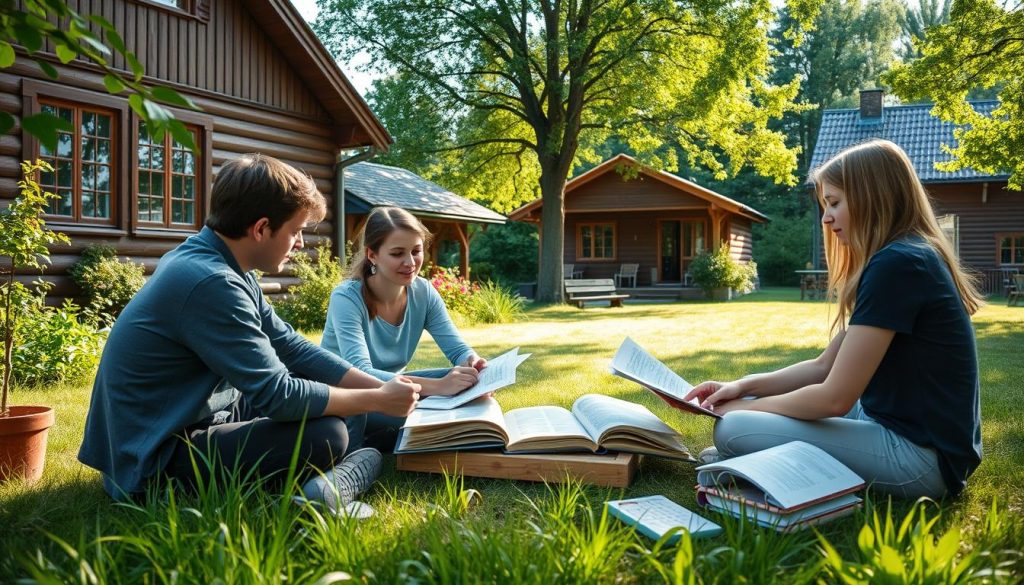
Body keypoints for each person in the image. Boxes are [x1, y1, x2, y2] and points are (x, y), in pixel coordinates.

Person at [79, 154, 421, 515]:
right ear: (261, 228)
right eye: (296, 230)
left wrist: (374, 388)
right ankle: (337, 477)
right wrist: (378, 400)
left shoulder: (224, 264)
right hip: (156, 459)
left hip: (197, 413)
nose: (300, 243)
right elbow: (279, 397)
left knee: (338, 395)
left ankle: (340, 469)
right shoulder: (211, 281)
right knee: (328, 434)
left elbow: (290, 346)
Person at [684, 140, 984, 499]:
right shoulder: (907, 255)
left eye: (835, 203)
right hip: (898, 428)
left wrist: (742, 412)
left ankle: (746, 453)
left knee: (732, 428)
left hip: (920, 462)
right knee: (744, 415)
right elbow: (824, 366)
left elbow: (834, 400)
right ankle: (749, 450)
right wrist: (741, 387)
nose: (826, 218)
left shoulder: (898, 264)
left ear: (872, 197)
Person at [322, 207, 486, 450]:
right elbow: (359, 373)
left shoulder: (424, 292)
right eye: (397, 253)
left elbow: (457, 348)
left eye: (416, 251)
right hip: (346, 395)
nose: (410, 263)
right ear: (372, 255)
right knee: (446, 390)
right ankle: (363, 448)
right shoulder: (346, 298)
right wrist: (440, 387)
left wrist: (472, 362)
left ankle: (393, 435)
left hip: (395, 389)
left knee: (468, 380)